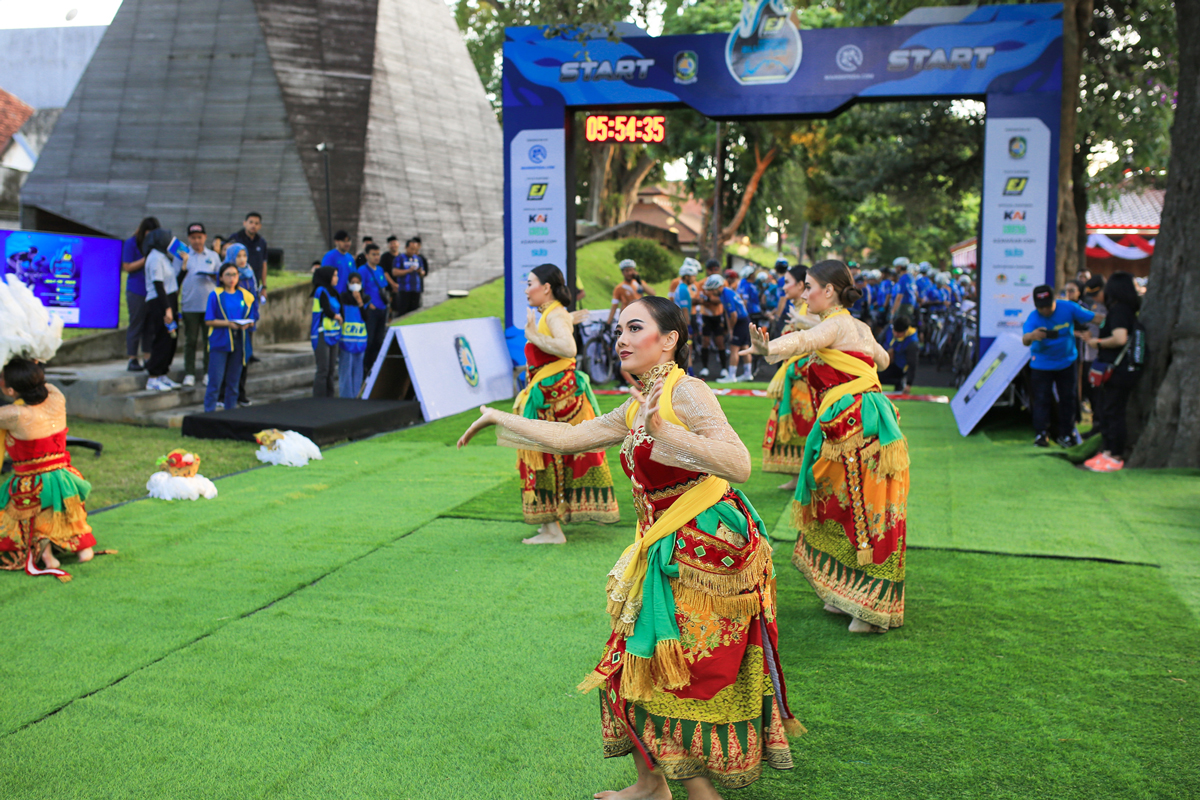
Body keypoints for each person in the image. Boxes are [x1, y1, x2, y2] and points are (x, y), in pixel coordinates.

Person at [457, 295, 802, 796]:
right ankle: (650, 786)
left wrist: (666, 433)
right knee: (631, 667)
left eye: (634, 328)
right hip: (661, 550)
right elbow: (571, 437)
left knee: (678, 675)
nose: (620, 339)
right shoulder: (637, 403)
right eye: (618, 329)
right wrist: (498, 417)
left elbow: (738, 463)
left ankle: (696, 793)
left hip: (705, 554)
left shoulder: (689, 393)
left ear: (668, 340)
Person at [744, 260, 907, 634]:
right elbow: (881, 359)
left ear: (829, 291)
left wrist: (768, 347)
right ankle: (845, 592)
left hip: (855, 433)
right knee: (842, 505)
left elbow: (803, 342)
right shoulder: (856, 326)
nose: (804, 294)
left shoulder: (835, 325)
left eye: (809, 287)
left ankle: (869, 611)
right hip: (850, 428)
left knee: (860, 512)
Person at [509, 264, 620, 544]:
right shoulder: (555, 313)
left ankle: (553, 530)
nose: (526, 289)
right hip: (553, 398)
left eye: (530, 282)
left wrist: (533, 334)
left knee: (546, 456)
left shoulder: (554, 314)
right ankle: (549, 525)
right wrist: (565, 319)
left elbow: (568, 349)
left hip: (555, 402)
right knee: (549, 456)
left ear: (546, 287)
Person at [0, 358, 98, 582]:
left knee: (26, 511)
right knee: (66, 512)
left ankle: (47, 556)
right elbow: (47, 385)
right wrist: (34, 367)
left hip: (32, 483)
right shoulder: (57, 398)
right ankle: (84, 550)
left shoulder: (13, 415)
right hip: (65, 476)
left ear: (11, 389)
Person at [762, 265, 820, 490]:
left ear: (800, 285)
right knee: (794, 424)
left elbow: (816, 346)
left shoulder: (809, 311)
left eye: (787, 282)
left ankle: (808, 476)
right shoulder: (797, 308)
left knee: (804, 425)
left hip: (804, 378)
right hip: (793, 375)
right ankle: (798, 477)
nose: (783, 286)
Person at [1021, 285, 1097, 448]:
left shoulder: (1068, 307)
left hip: (1067, 362)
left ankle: (1067, 434)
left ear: (1055, 300)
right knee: (1042, 400)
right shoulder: (1034, 318)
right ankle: (1041, 434)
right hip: (1042, 364)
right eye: (1041, 307)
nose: (1045, 310)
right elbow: (1025, 339)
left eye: (1048, 306)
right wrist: (1033, 336)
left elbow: (1092, 317)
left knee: (1068, 398)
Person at [1082, 272, 1143, 472]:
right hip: (1117, 369)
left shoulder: (1119, 311)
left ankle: (1115, 455)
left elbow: (1119, 338)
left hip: (1118, 370)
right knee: (1108, 410)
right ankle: (1107, 451)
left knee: (1113, 412)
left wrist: (1097, 342)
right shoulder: (1123, 310)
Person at [203, 263, 257, 413]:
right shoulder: (216, 295)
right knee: (215, 381)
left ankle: (231, 414)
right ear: (221, 277)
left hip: (239, 341)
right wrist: (228, 324)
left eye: (234, 274)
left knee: (233, 383)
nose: (231, 278)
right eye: (228, 274)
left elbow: (251, 317)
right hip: (220, 341)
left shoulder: (245, 295)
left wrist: (246, 324)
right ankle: (209, 414)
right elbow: (209, 320)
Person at [177, 223, 221, 388]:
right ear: (189, 238)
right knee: (191, 340)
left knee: (209, 340)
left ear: (205, 237)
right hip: (190, 304)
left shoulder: (213, 256)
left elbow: (221, 276)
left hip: (209, 305)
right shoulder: (182, 255)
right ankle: (189, 373)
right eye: (193, 238)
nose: (197, 241)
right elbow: (177, 278)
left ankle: (208, 372)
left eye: (200, 237)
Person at [142, 230, 183, 392]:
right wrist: (167, 309)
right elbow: (158, 285)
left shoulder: (164, 257)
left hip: (170, 299)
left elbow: (173, 283)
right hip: (159, 302)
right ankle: (153, 377)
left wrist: (184, 268)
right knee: (161, 338)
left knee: (171, 339)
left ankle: (163, 373)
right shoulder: (154, 258)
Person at [221, 244, 257, 407]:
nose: (242, 260)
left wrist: (252, 318)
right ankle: (224, 394)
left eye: (244, 255)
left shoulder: (250, 273)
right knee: (228, 360)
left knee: (244, 358)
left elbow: (253, 297)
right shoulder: (227, 274)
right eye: (238, 256)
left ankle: (240, 393)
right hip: (230, 323)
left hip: (246, 322)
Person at [121, 217, 158, 372]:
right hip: (136, 290)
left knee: (150, 326)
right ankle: (132, 358)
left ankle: (148, 357)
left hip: (152, 291)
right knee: (136, 324)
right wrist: (145, 259)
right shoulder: (131, 243)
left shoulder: (156, 244)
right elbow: (127, 266)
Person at [356, 243, 389, 373]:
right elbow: (359, 289)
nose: (376, 257)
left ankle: (373, 368)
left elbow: (383, 288)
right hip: (371, 310)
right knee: (369, 341)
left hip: (382, 309)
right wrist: (368, 304)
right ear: (367, 255)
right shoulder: (362, 270)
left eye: (378, 254)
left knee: (378, 340)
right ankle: (364, 368)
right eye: (373, 254)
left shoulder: (380, 270)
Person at [310, 266, 342, 397]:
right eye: (334, 275)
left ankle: (330, 397)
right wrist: (336, 317)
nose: (337, 278)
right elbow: (327, 309)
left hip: (333, 333)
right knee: (323, 369)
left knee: (331, 370)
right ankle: (319, 399)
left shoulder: (333, 291)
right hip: (322, 333)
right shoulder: (321, 291)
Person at [337, 272, 368, 398]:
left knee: (358, 370)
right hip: (346, 340)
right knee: (346, 370)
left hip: (360, 340)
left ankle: (356, 395)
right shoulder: (343, 298)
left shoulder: (366, 299)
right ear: (348, 284)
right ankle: (346, 396)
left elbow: (366, 317)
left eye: (358, 282)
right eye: (352, 282)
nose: (355, 285)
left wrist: (360, 301)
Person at [718, 270, 752, 383]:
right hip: (744, 320)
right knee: (745, 347)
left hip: (740, 321)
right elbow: (728, 315)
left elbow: (733, 315)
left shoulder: (726, 294)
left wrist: (731, 330)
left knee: (734, 349)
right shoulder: (726, 292)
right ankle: (748, 373)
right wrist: (730, 328)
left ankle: (731, 376)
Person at [227, 212, 268, 296]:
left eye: (256, 223)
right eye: (251, 222)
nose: (253, 225)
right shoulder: (235, 238)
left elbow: (264, 264)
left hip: (253, 283)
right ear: (244, 223)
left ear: (260, 226)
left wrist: (264, 286)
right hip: (235, 284)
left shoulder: (262, 242)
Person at [605, 258, 653, 325]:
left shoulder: (640, 283)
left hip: (641, 316)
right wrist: (608, 322)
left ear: (634, 271)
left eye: (631, 270)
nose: (629, 273)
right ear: (622, 272)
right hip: (626, 318)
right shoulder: (619, 288)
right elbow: (614, 306)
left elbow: (652, 293)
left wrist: (640, 282)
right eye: (626, 271)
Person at [696, 274, 727, 379]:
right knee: (705, 341)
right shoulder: (701, 283)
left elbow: (720, 300)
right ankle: (705, 367)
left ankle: (724, 368)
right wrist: (708, 300)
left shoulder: (722, 282)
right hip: (706, 316)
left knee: (720, 342)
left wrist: (708, 300)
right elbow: (699, 300)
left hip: (718, 316)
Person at [879, 316, 919, 393]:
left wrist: (909, 384)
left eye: (899, 333)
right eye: (895, 331)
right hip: (883, 360)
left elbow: (912, 364)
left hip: (898, 368)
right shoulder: (888, 329)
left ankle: (900, 383)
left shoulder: (912, 342)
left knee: (881, 375)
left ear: (906, 331)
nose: (896, 334)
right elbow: (878, 342)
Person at [391, 236, 428, 315]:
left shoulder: (418, 258)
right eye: (411, 248)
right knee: (402, 312)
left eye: (415, 249)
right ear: (406, 247)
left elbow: (423, 272)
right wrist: (408, 271)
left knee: (414, 313)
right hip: (404, 289)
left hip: (416, 289)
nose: (413, 251)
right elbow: (394, 272)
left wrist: (420, 272)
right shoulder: (400, 258)